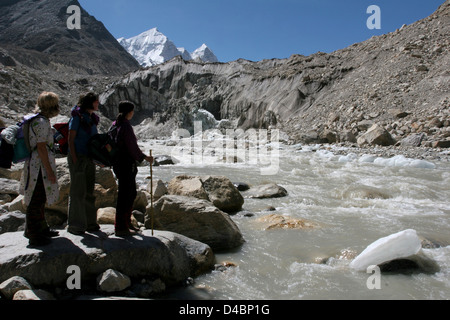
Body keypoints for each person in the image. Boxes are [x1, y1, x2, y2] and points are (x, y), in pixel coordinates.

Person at [20, 92, 60, 246]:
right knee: (36, 199)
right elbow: (42, 148)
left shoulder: (37, 120)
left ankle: (40, 228)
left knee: (39, 197)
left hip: (35, 164)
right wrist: (49, 171)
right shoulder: (42, 122)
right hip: (39, 168)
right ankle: (34, 234)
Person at [111, 101, 153, 236]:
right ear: (129, 112)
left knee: (129, 193)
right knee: (126, 195)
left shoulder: (115, 124)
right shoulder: (125, 126)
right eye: (132, 111)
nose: (133, 113)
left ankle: (126, 223)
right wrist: (144, 157)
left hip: (118, 164)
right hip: (126, 164)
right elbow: (131, 146)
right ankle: (121, 227)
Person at [67, 92, 101, 235]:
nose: (98, 104)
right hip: (79, 157)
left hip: (89, 157)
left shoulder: (91, 118)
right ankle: (76, 225)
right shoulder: (77, 117)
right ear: (89, 102)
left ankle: (90, 223)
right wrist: (74, 158)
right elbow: (71, 138)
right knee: (77, 192)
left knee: (89, 191)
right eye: (96, 102)